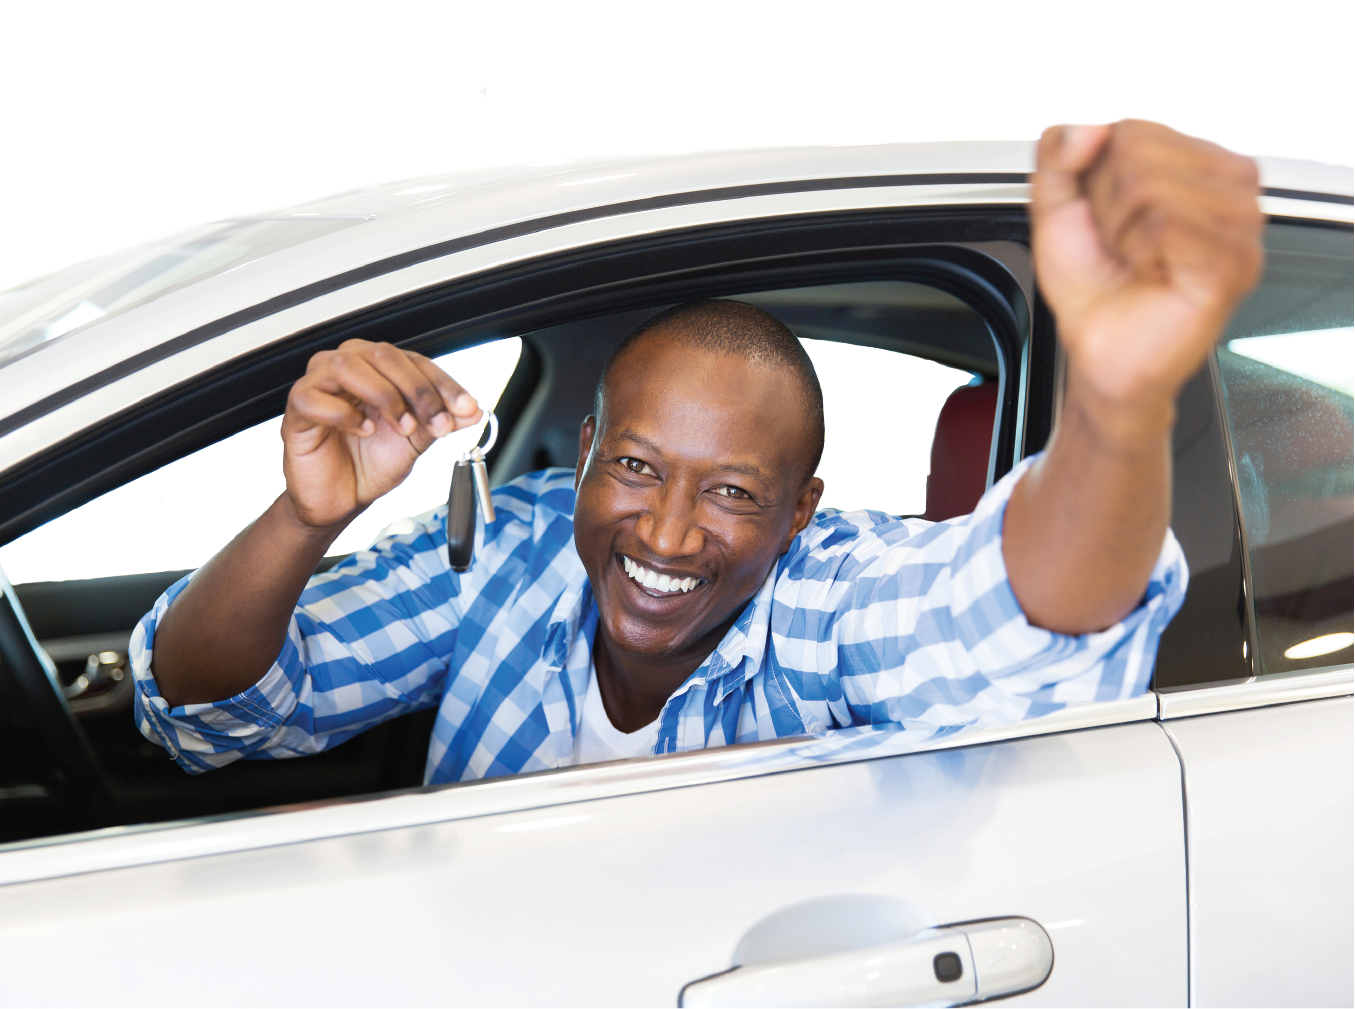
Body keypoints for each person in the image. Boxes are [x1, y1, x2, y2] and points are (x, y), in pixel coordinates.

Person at [131, 119, 1263, 782]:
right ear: (581, 449)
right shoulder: (514, 545)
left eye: (731, 491)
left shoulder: (822, 601)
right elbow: (210, 709)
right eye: (634, 466)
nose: (668, 533)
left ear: (802, 508)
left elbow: (996, 632)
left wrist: (1118, 400)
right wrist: (304, 517)